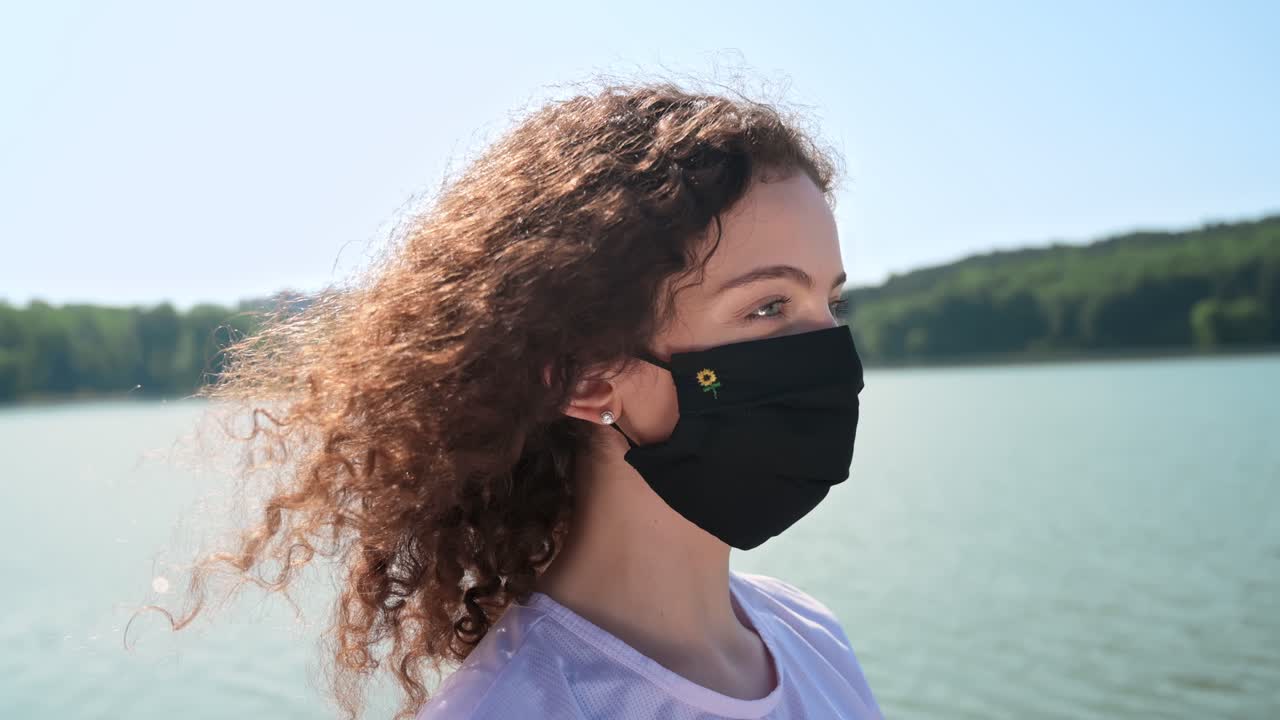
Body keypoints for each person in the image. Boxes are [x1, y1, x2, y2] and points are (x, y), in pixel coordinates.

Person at [166, 79, 883, 720]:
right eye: (768, 307)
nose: (827, 352)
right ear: (586, 375)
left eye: (831, 301)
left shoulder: (809, 634)